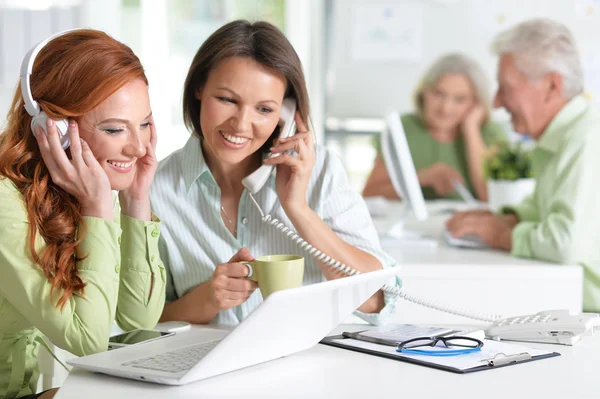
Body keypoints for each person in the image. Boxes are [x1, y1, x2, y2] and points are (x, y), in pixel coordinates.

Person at [150, 20, 400, 326]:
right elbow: (141, 321)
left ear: (287, 113)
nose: (241, 125)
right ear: (199, 88)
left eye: (264, 110)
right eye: (227, 100)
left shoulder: (321, 172)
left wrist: (299, 209)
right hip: (206, 370)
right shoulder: (156, 189)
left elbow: (376, 301)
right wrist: (208, 298)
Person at [0, 30, 166, 399]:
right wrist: (98, 209)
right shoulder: (4, 203)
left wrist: (138, 200)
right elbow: (86, 339)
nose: (138, 147)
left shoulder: (83, 190)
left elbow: (139, 318)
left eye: (144, 124)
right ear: (53, 129)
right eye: (114, 128)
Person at [446, 19, 600, 312]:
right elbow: (546, 209)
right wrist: (508, 218)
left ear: (552, 85)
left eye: (505, 88)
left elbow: (564, 243)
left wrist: (501, 234)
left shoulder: (588, 139)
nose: (496, 102)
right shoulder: (565, 136)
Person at [363, 53, 506, 201]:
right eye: (438, 94)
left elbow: (491, 197)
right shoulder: (402, 129)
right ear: (424, 93)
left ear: (475, 103)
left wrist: (471, 130)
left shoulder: (490, 133)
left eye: (459, 99)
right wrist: (421, 178)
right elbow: (370, 194)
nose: (446, 108)